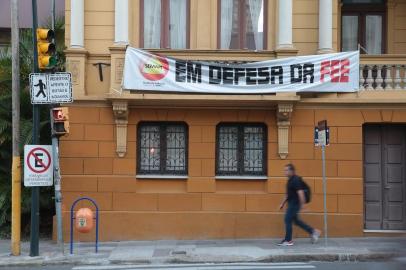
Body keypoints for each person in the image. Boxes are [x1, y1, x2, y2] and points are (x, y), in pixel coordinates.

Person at [278, 163, 321, 246]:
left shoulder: (295, 180)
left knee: (287, 220)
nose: (285, 172)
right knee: (296, 221)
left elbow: (300, 193)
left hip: (295, 203)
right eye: (284, 170)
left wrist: (303, 206)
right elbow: (288, 194)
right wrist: (282, 203)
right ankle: (313, 231)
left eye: (286, 170)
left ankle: (288, 240)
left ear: (292, 171)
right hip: (291, 203)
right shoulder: (290, 180)